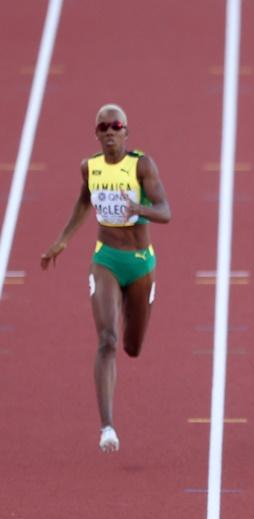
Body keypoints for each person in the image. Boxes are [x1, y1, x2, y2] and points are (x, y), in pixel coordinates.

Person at [40, 104, 172, 453]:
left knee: (132, 346)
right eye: (104, 127)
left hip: (141, 263)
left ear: (126, 131)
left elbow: (165, 212)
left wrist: (139, 209)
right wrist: (62, 240)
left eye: (116, 126)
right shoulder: (90, 167)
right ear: (97, 134)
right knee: (108, 339)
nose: (110, 132)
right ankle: (107, 426)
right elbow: (84, 202)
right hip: (106, 260)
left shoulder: (141, 165)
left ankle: (140, 301)